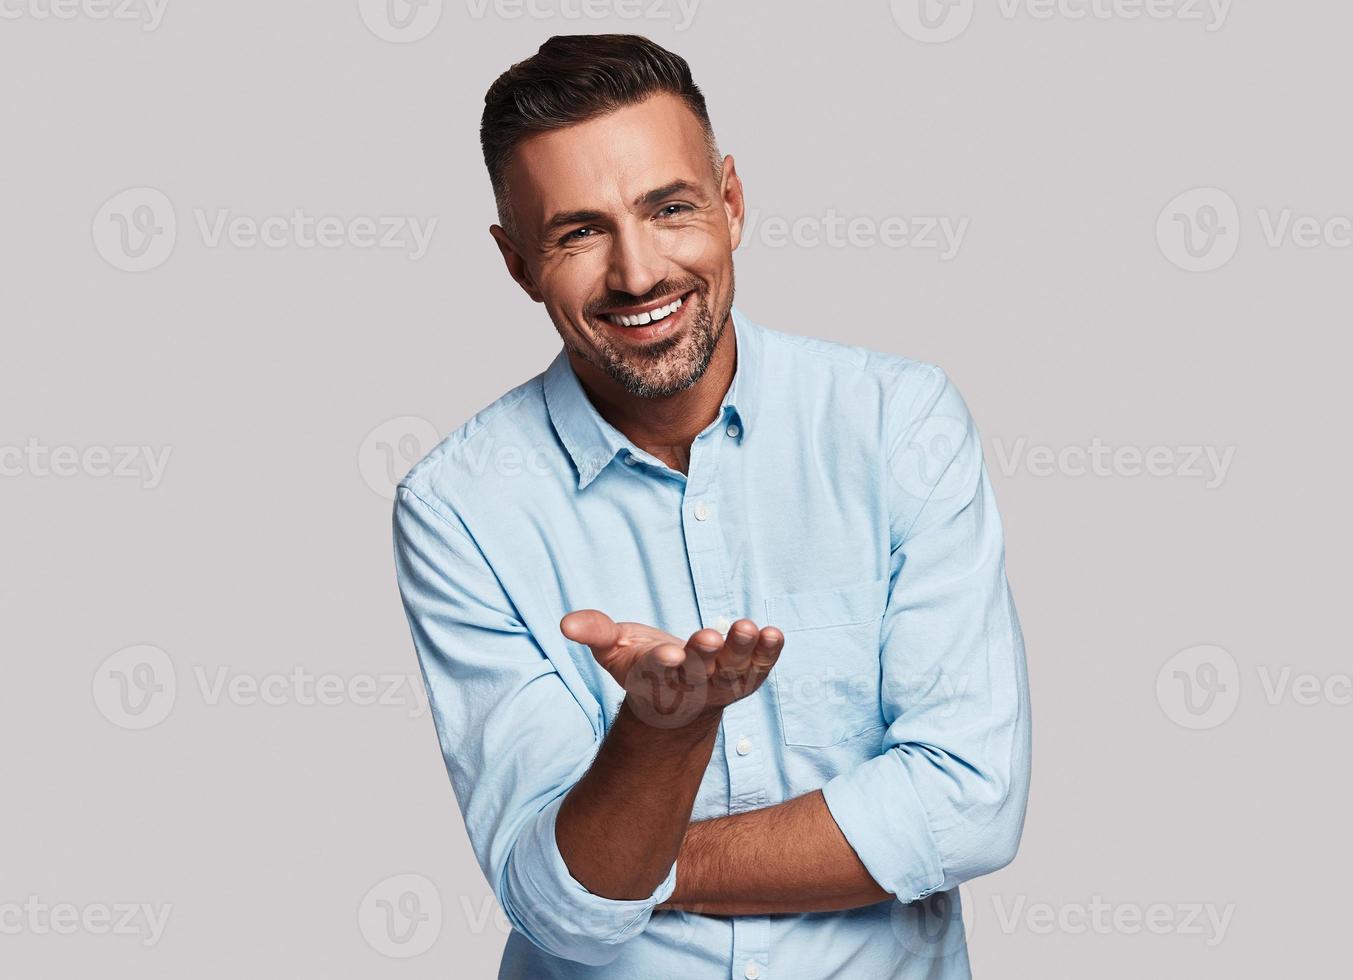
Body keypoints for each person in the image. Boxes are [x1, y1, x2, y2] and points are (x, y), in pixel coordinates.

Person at [391, 33, 1032, 979]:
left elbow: (969, 803)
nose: (639, 273)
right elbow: (564, 922)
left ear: (730, 203)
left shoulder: (897, 425)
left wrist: (647, 859)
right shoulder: (459, 509)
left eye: (670, 208)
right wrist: (659, 738)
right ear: (517, 261)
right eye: (578, 233)